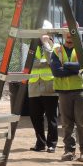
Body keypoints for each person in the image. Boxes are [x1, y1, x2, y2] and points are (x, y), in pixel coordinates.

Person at [50, 22, 83, 162]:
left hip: (80, 91)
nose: (69, 35)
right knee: (66, 124)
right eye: (67, 32)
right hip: (63, 93)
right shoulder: (57, 51)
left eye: (72, 32)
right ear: (63, 34)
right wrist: (75, 68)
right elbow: (57, 72)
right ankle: (69, 151)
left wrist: (67, 65)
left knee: (82, 123)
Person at [28, 20, 59, 153]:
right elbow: (28, 64)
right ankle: (40, 143)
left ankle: (52, 144)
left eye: (44, 32)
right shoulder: (33, 47)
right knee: (35, 117)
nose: (41, 35)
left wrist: (46, 44)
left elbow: (51, 60)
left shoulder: (56, 46)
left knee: (51, 117)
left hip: (49, 86)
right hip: (34, 86)